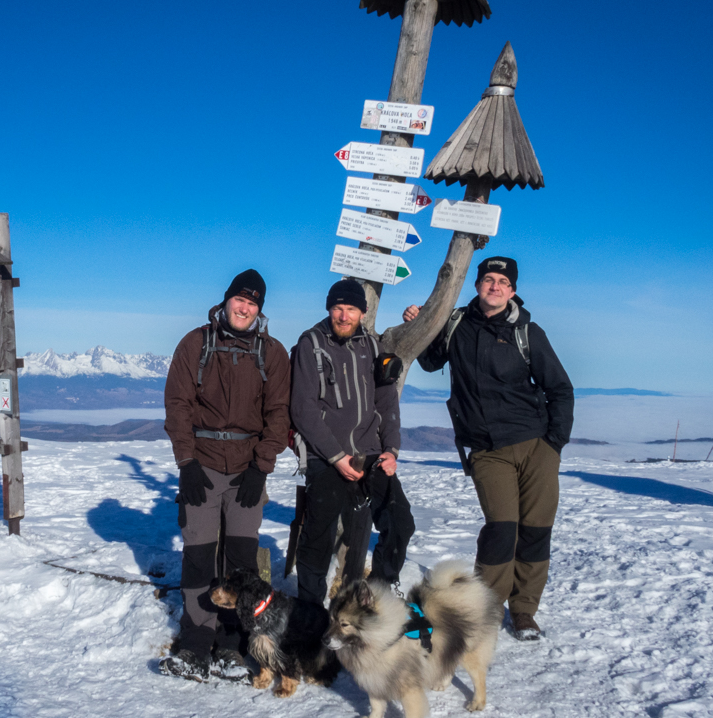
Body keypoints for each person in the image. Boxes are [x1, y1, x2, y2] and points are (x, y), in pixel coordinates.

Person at [403, 256, 573, 640]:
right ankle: (489, 610)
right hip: (487, 448)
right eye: (488, 280)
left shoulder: (527, 331)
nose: (494, 286)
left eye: (502, 281)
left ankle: (525, 611)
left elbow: (560, 389)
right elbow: (430, 362)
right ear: (477, 284)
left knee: (535, 530)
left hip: (536, 445)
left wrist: (554, 444)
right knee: (501, 529)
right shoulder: (458, 323)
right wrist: (420, 322)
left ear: (512, 290)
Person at [159, 269, 291, 682]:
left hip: (246, 471)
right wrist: (186, 464)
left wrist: (260, 468)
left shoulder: (272, 354)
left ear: (259, 310)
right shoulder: (196, 344)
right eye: (240, 299)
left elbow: (278, 415)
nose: (245, 307)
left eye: (253, 303)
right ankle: (197, 642)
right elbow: (177, 405)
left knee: (241, 561)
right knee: (199, 556)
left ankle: (233, 644)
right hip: (202, 462)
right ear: (227, 299)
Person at [290, 278, 414, 607]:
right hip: (326, 456)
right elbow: (303, 410)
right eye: (338, 308)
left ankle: (377, 592)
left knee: (400, 522)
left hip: (371, 453)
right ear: (329, 309)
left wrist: (391, 449)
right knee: (319, 533)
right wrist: (335, 457)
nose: (344, 316)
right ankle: (310, 608)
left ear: (364, 311)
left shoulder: (374, 348)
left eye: (351, 309)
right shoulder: (311, 344)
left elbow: (387, 404)